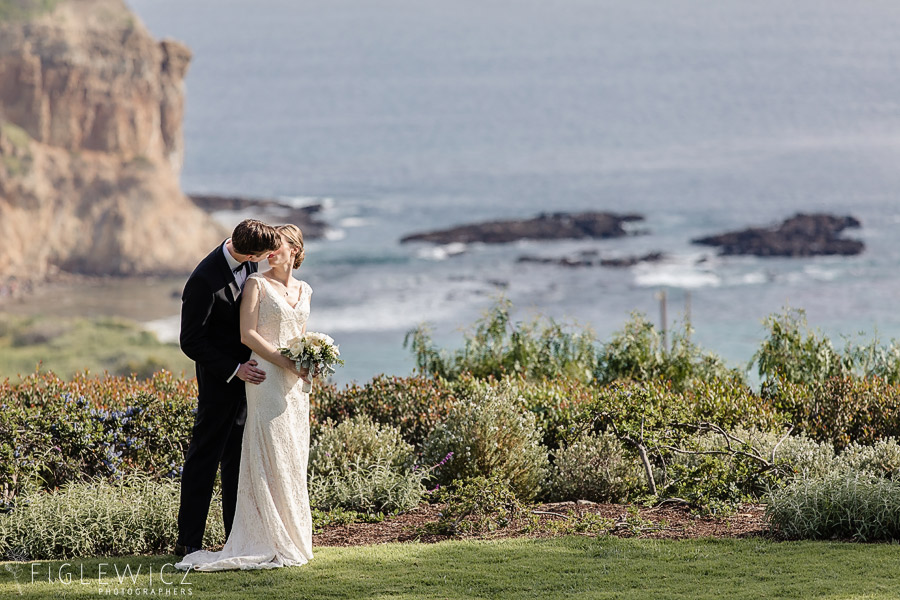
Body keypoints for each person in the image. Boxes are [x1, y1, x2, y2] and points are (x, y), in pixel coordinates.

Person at [176, 224, 314, 571]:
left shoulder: (251, 265)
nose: (266, 259)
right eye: (261, 256)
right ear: (250, 254)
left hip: (257, 381)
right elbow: (190, 341)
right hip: (222, 381)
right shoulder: (203, 280)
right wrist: (234, 368)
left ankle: (239, 535)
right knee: (204, 458)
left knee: (240, 460)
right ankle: (188, 540)